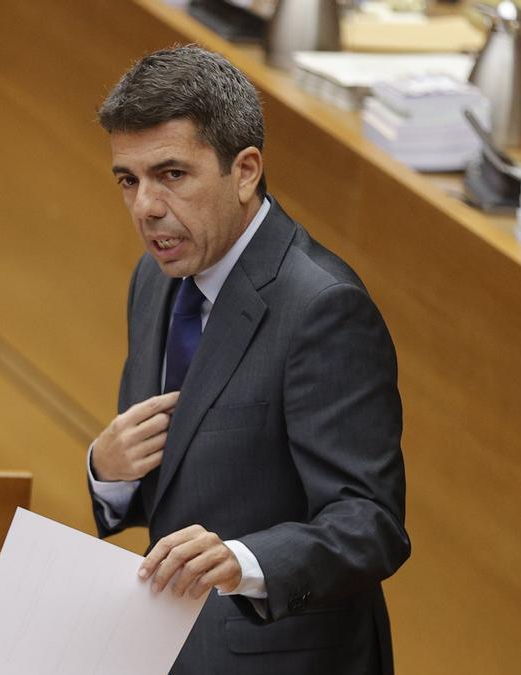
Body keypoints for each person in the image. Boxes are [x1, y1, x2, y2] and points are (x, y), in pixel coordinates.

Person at [87, 45, 410, 674]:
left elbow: (371, 524)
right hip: (171, 649)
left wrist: (245, 560)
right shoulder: (155, 281)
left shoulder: (322, 307)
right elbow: (179, 477)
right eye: (129, 180)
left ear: (245, 171)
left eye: (172, 175)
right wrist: (108, 472)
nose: (146, 207)